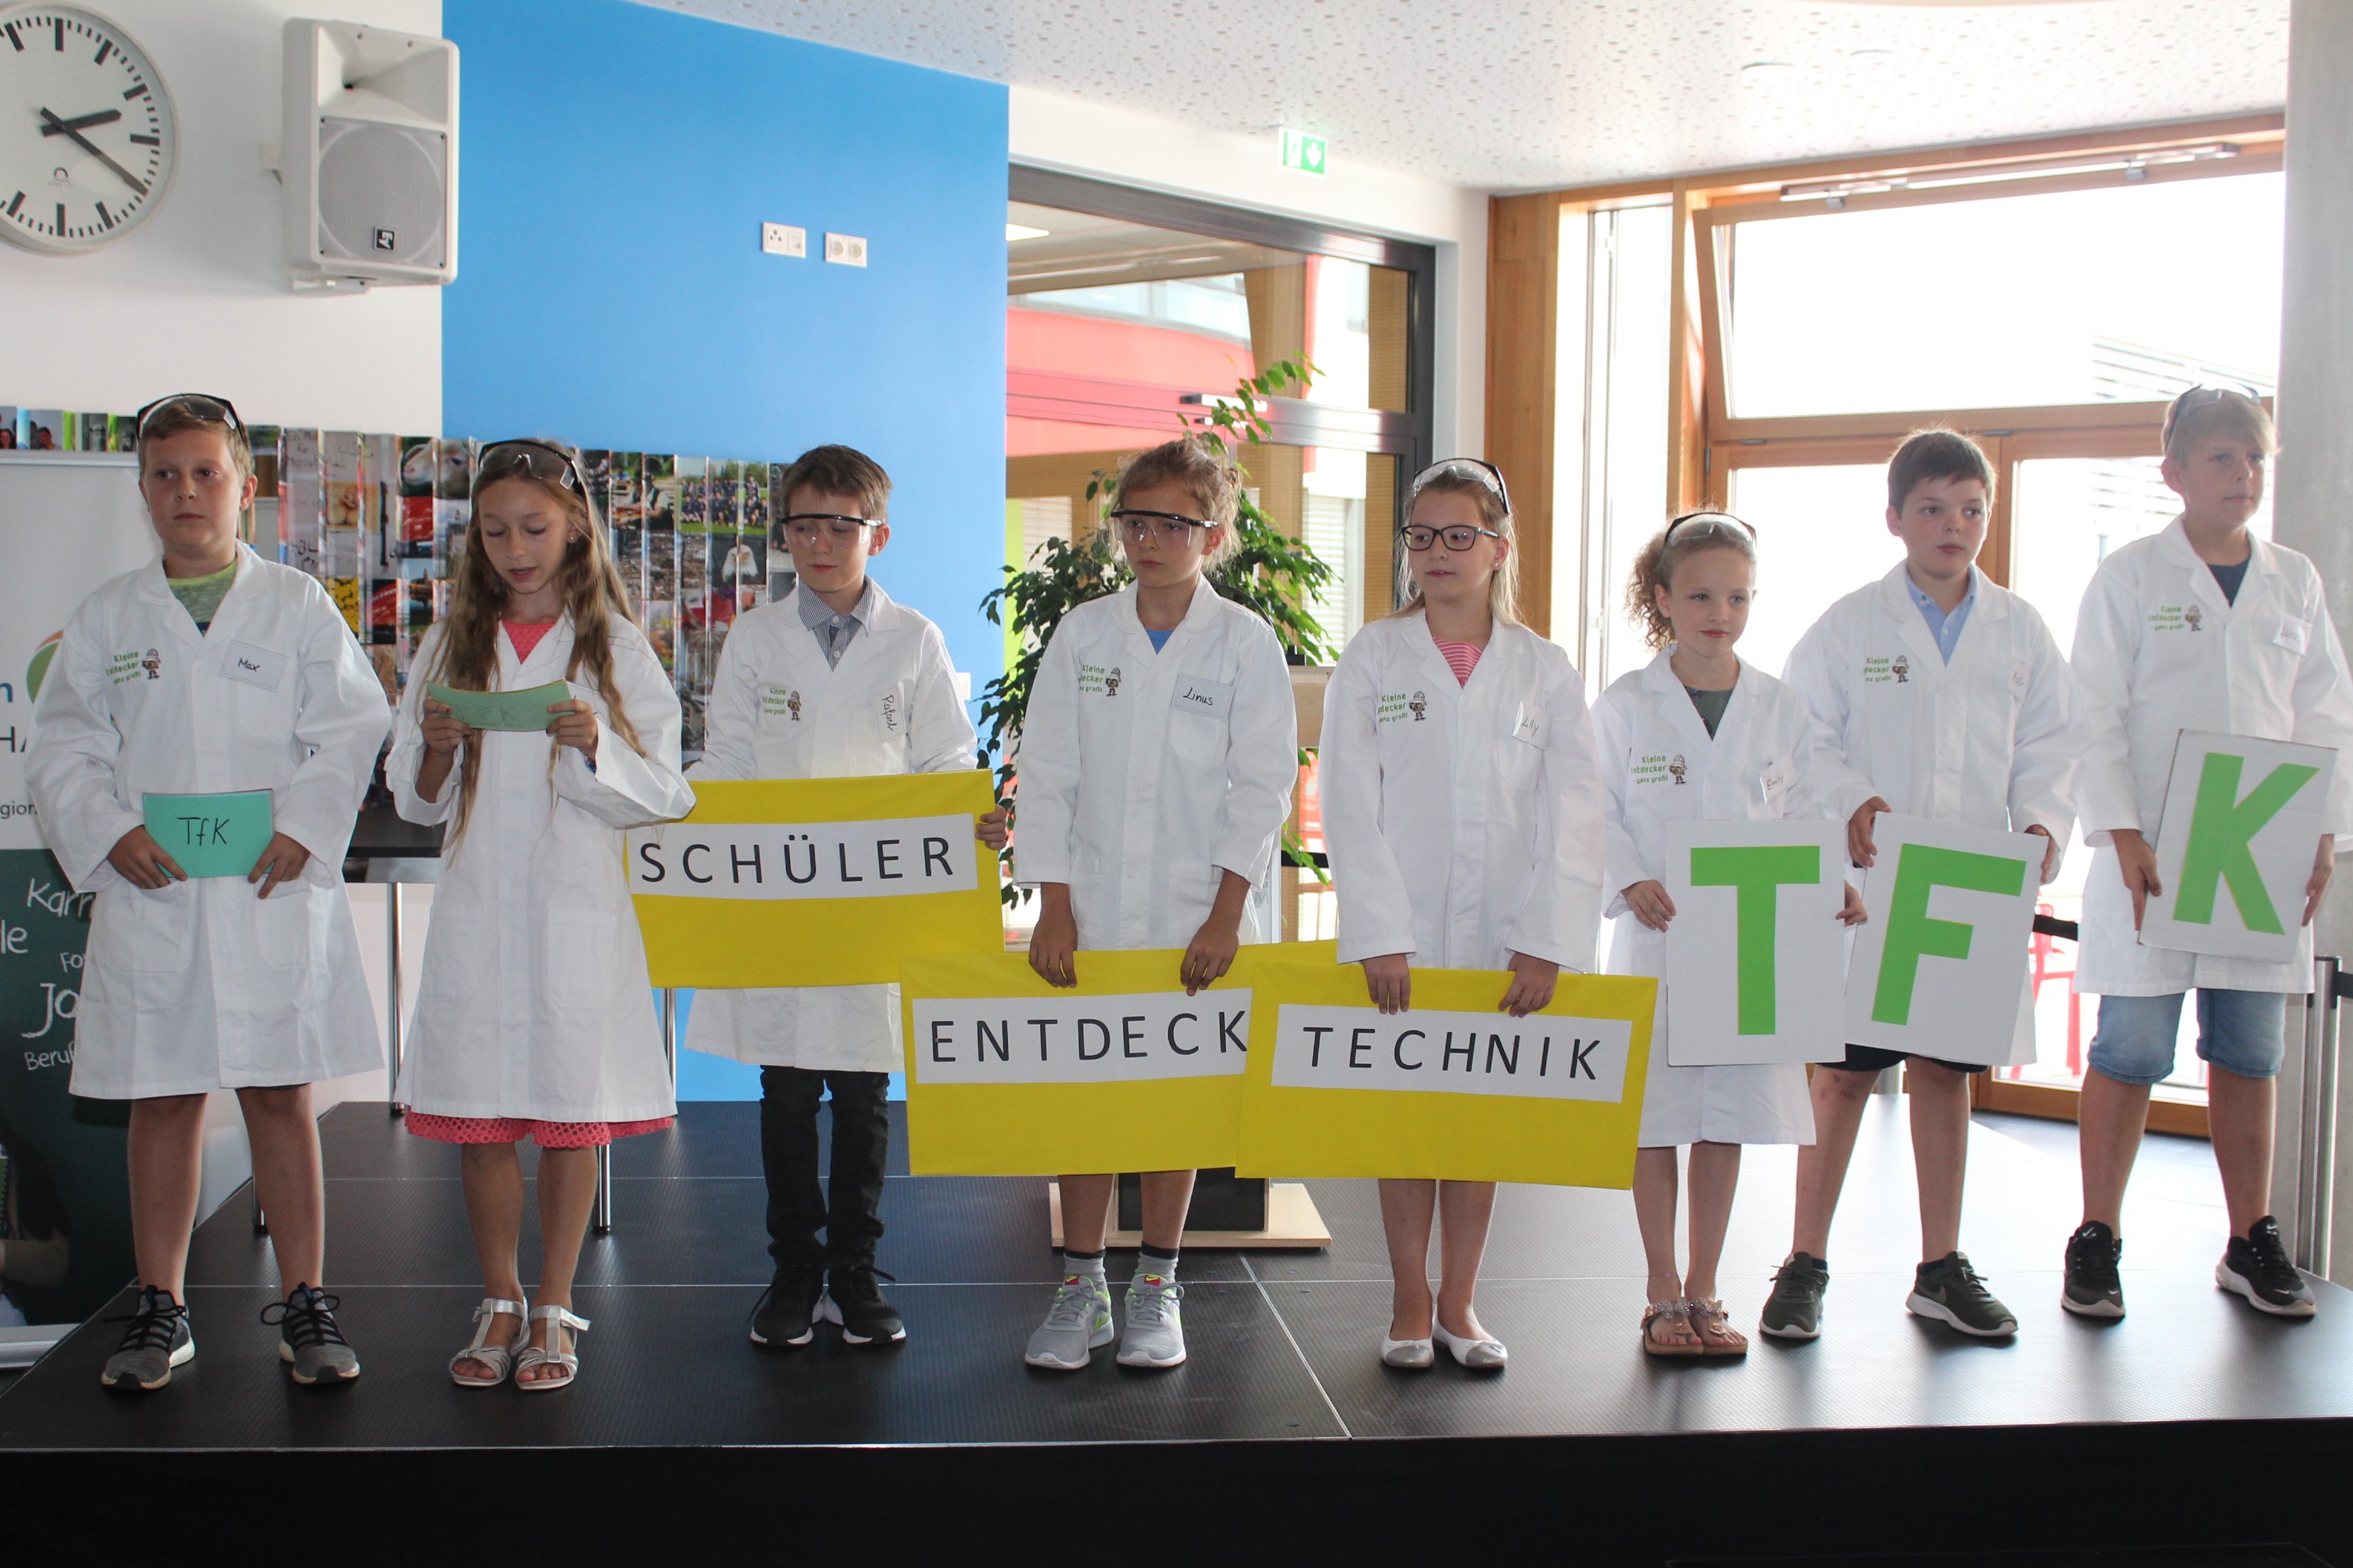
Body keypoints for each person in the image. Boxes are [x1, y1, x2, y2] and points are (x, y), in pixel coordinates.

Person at [27, 393, 390, 1391]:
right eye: (164, 474)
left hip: (270, 885)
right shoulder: (109, 615)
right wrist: (109, 832)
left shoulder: (299, 605)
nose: (185, 491)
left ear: (247, 487)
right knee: (164, 1093)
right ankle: (160, 1306)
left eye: (205, 472)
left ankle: (307, 1301)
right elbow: (62, 748)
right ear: (142, 488)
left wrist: (308, 826)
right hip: (159, 887)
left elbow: (351, 725)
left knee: (281, 1090)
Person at [684, 444, 1006, 1351]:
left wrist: (972, 818)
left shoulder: (916, 639)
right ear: (782, 532)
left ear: (878, 534)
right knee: (784, 1091)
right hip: (783, 906)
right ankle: (793, 1272)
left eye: (840, 524)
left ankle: (856, 1273)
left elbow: (945, 762)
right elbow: (728, 763)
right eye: (802, 524)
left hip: (873, 906)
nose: (820, 542)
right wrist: (684, 817)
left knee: (864, 1094)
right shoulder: (754, 635)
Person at [387, 439, 693, 1390]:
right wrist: (438, 745)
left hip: (575, 911)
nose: (516, 548)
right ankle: (498, 1294)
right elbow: (414, 796)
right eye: (495, 531)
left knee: (571, 1109)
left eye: (534, 527)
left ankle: (555, 1300)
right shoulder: (450, 643)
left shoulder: (614, 644)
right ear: (474, 541)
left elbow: (666, 793)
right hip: (481, 908)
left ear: (575, 530)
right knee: (481, 1112)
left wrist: (597, 744)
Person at [1766, 430, 2078, 1340]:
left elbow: (2052, 744)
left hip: (1969, 880)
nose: (1954, 526)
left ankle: (1939, 1266)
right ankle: (1804, 1261)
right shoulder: (1849, 623)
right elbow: (1803, 733)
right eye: (1934, 508)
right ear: (1895, 517)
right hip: (1877, 879)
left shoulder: (2019, 628)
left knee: (1945, 1073)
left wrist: (2039, 824)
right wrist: (1849, 795)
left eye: (1971, 508)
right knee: (1843, 1078)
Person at [2064, 387, 2353, 1320]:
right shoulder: (2131, 578)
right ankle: (2095, 1236)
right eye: (2222, 458)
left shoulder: (2292, 579)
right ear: (2173, 474)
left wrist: (2319, 829)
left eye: (2254, 459)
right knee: (2131, 1046)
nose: (2243, 476)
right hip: (2152, 849)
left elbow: (2324, 714)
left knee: (2248, 1048)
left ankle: (2247, 1237)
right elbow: (2092, 711)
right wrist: (2121, 829)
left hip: (2255, 846)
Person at [1013, 435, 1298, 1372]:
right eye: (1133, 519)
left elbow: (1259, 790)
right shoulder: (1083, 633)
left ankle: (1156, 1280)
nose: (1147, 536)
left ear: (1210, 534)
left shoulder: (1245, 642)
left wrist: (1224, 915)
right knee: (1084, 1099)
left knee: (1173, 1103)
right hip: (1090, 905)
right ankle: (1080, 1285)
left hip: (1193, 914)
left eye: (1170, 521)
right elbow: (1047, 773)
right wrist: (1052, 904)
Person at [1320, 459, 1603, 1371]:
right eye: (1420, 535)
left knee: (1478, 1118)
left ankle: (1460, 1303)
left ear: (1498, 548)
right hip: (1399, 938)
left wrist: (1545, 939)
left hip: (1501, 938)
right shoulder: (1372, 653)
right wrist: (1378, 932)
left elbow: (1575, 811)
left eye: (1457, 535)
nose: (1436, 553)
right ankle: (1407, 1301)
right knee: (1405, 1118)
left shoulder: (1543, 670)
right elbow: (1347, 800)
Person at [1596, 511, 1869, 1358]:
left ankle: (1705, 1287)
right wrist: (1626, 875)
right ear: (1662, 598)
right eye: (1702, 594)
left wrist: (1835, 883)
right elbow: (1591, 807)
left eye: (1738, 595)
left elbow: (1804, 815)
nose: (1721, 611)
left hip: (1746, 947)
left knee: (1723, 1116)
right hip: (1660, 935)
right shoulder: (1624, 704)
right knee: (1655, 1117)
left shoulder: (1778, 706)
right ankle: (1656, 1288)